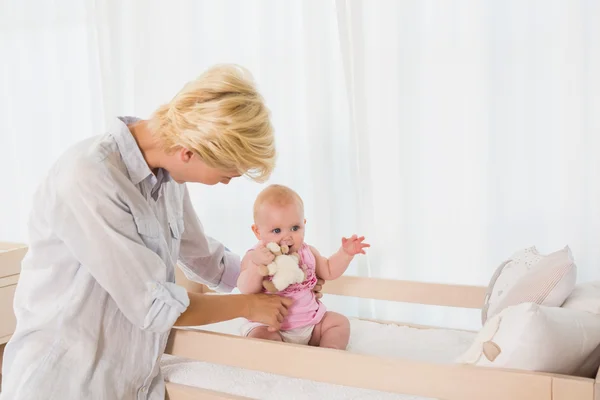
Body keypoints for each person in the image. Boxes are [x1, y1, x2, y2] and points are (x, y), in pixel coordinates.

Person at [0, 64, 321, 400]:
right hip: (68, 382)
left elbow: (205, 258)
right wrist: (249, 306)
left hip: (134, 381)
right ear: (189, 151)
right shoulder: (88, 178)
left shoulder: (166, 179)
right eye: (226, 175)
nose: (226, 182)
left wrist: (275, 275)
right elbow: (154, 305)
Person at [237, 184, 369, 349]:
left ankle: (329, 354)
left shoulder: (308, 252)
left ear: (304, 224)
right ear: (257, 231)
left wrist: (345, 254)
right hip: (271, 326)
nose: (287, 237)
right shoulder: (255, 255)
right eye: (277, 230)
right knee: (261, 336)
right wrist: (256, 266)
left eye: (295, 228)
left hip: (312, 324)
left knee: (339, 323)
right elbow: (245, 289)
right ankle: (280, 361)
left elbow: (328, 270)